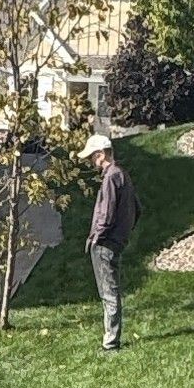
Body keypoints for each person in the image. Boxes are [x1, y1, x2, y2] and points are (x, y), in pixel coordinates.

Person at [84, 130, 139, 353]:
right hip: (117, 241)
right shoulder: (123, 175)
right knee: (111, 291)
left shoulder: (110, 177)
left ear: (101, 154)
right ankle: (111, 339)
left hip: (105, 244)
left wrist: (96, 237)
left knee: (108, 293)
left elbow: (106, 214)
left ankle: (110, 343)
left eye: (91, 157)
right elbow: (137, 208)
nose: (90, 162)